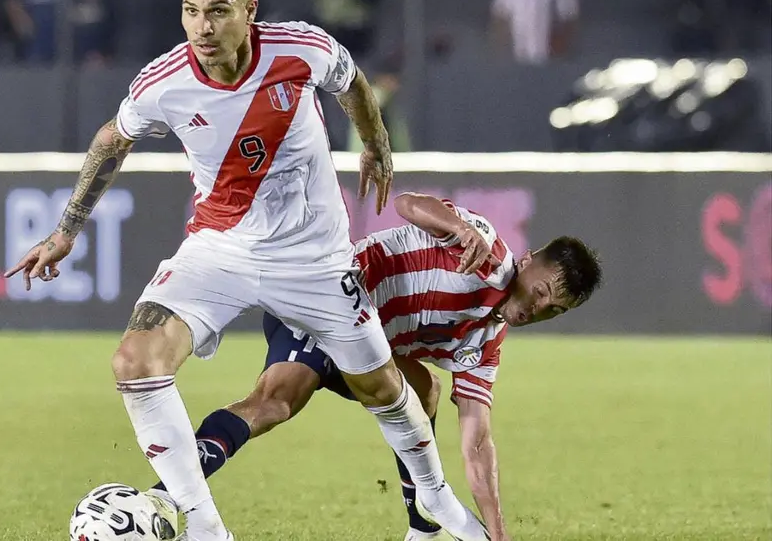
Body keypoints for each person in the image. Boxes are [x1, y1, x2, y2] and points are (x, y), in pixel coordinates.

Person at [5, 0, 490, 540]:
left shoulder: (300, 49)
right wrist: (66, 230)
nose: (202, 28)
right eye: (190, 12)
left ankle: (435, 500)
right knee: (135, 363)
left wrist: (375, 141)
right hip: (220, 250)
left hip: (317, 260)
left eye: (217, 12)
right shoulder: (165, 84)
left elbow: (352, 82)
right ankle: (207, 529)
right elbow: (112, 139)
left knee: (387, 389)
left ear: (248, 11)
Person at [146, 192, 603, 541]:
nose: (535, 310)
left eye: (552, 311)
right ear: (526, 263)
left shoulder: (485, 340)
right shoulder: (486, 253)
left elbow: (477, 441)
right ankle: (163, 495)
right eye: (540, 293)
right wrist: (459, 228)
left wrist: (498, 534)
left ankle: (421, 528)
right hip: (328, 301)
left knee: (424, 392)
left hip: (366, 347)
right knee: (275, 402)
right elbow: (407, 203)